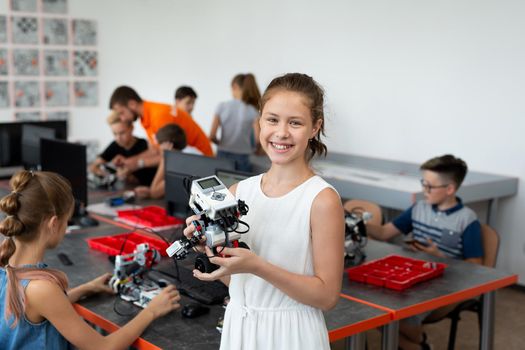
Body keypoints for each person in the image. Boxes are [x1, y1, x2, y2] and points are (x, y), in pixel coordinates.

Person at [186, 73, 345, 349]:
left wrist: (258, 266)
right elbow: (237, 283)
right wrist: (209, 249)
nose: (281, 132)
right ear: (259, 121)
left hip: (292, 335)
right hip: (240, 328)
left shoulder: (321, 200)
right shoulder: (238, 192)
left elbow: (327, 296)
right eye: (272, 119)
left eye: (295, 122)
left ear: (315, 127)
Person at [0, 170, 180, 350]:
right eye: (67, 221)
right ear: (53, 223)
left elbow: (40, 308)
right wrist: (152, 311)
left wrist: (86, 288)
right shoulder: (41, 288)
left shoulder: (6, 262)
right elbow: (103, 347)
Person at [366, 154, 483, 350]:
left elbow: (477, 266)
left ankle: (417, 342)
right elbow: (385, 232)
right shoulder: (419, 208)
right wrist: (361, 223)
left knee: (381, 318)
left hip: (444, 285)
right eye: (423, 183)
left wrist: (440, 257)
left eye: (429, 186)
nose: (424, 190)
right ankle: (420, 345)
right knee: (374, 311)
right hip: (411, 277)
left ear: (450, 189)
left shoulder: (466, 219)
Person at [109, 86, 213, 173]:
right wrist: (128, 161)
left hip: (202, 164)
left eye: (121, 113)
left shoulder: (158, 116)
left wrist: (138, 163)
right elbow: (155, 150)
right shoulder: (146, 117)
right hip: (191, 161)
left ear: (132, 104)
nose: (122, 118)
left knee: (154, 191)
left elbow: (169, 154)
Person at [209, 73, 261, 172]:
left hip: (223, 153)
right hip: (243, 156)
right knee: (242, 186)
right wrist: (256, 150)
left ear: (235, 86)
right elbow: (258, 140)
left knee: (221, 186)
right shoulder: (253, 110)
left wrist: (221, 143)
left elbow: (211, 136)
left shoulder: (222, 106)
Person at [89, 111, 157, 186]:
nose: (118, 138)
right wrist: (106, 175)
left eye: (122, 133)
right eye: (115, 133)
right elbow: (93, 166)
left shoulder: (146, 145)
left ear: (131, 128)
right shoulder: (114, 145)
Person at [134, 124, 191, 199]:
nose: (158, 149)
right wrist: (149, 191)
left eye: (159, 144)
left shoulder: (180, 165)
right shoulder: (183, 158)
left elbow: (155, 193)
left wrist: (165, 157)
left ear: (168, 145)